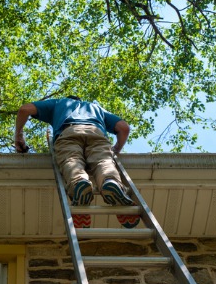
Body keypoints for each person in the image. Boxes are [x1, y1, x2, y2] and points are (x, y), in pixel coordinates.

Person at [14, 96, 139, 228]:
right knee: (104, 162)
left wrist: (18, 135)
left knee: (71, 160)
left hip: (68, 132)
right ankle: (111, 182)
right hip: (96, 133)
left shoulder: (59, 103)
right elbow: (124, 128)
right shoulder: (96, 108)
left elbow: (24, 109)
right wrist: (116, 149)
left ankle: (79, 183)